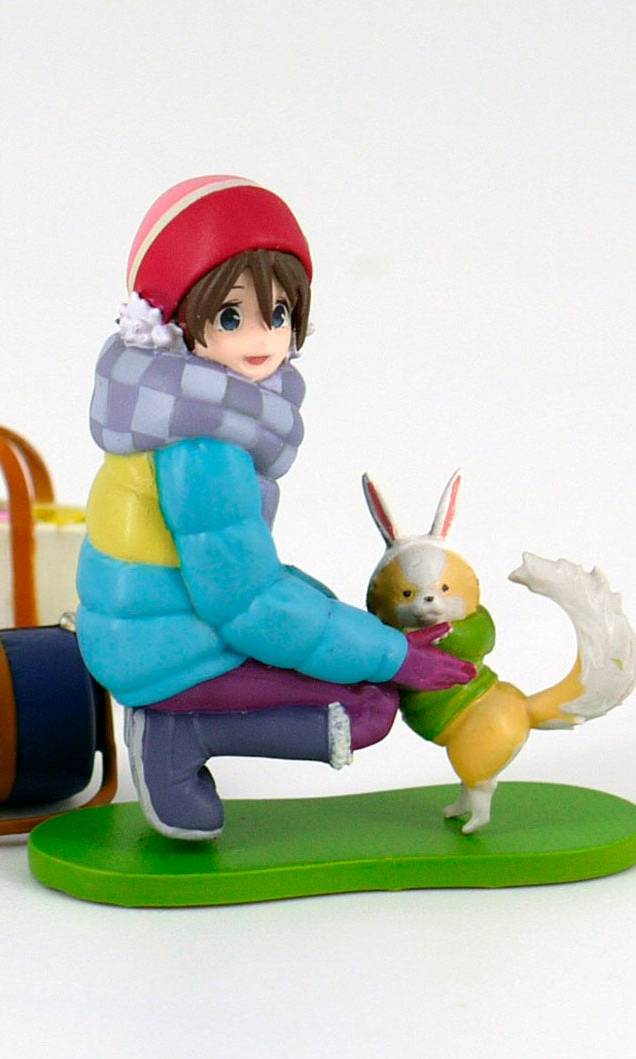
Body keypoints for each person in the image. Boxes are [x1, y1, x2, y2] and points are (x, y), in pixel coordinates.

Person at [75, 175, 473, 839]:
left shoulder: (172, 413)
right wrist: (390, 656)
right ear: (179, 320)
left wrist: (353, 632)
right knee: (368, 707)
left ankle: (177, 728)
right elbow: (247, 606)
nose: (261, 337)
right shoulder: (203, 450)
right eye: (231, 317)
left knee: (342, 650)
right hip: (165, 654)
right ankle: (176, 737)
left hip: (154, 633)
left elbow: (240, 576)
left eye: (279, 313)